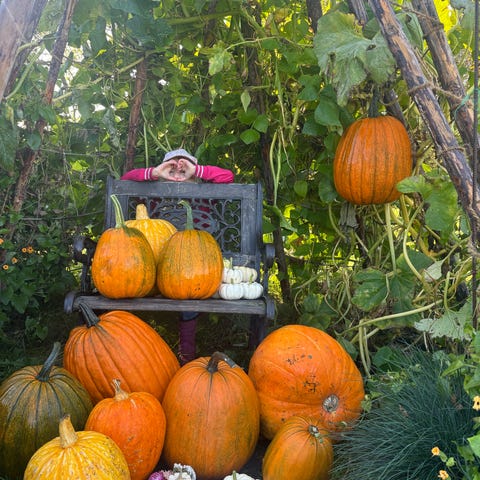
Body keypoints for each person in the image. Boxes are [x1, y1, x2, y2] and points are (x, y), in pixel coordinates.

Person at [121, 149, 234, 364]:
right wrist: (156, 173)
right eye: (172, 169)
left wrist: (196, 171)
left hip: (193, 266)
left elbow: (227, 177)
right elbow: (125, 181)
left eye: (184, 170)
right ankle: (142, 355)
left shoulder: (202, 193)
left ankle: (186, 355)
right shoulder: (156, 194)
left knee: (188, 293)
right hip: (158, 263)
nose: (178, 174)